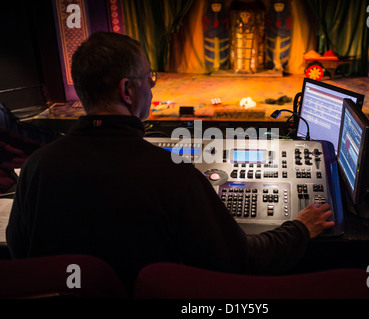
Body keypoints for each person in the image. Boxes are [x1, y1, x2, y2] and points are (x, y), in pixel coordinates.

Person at [6, 32, 334, 292]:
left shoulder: (37, 166)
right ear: (128, 91)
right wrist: (300, 229)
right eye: (149, 78)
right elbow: (240, 261)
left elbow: (22, 255)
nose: (151, 85)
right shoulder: (172, 174)